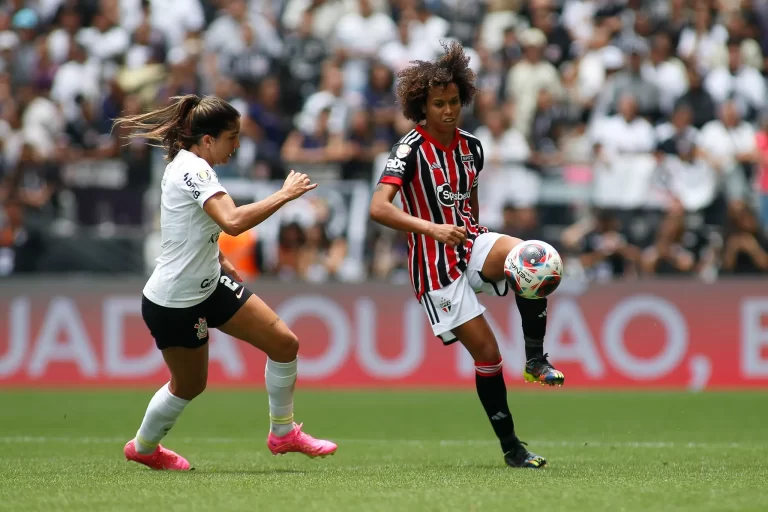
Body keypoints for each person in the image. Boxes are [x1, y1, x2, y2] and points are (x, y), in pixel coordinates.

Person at [113, 95, 337, 471]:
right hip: (176, 301)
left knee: (284, 344)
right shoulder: (194, 171)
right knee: (189, 385)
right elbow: (232, 221)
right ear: (207, 140)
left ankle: (282, 434)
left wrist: (217, 257)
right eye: (232, 137)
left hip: (209, 283)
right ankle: (144, 447)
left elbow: (186, 226)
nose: (237, 145)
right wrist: (285, 194)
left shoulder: (189, 165)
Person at [369, 42, 563, 469]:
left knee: (536, 257)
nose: (449, 110)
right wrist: (433, 227)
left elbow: (469, 205)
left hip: (468, 242)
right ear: (423, 106)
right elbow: (378, 207)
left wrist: (470, 234)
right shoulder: (409, 150)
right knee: (489, 356)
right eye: (439, 103)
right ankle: (512, 447)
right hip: (434, 268)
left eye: (455, 101)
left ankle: (535, 358)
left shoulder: (472, 146)